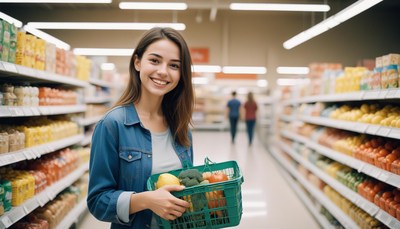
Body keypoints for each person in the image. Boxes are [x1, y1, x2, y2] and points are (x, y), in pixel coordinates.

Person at [87, 27, 195, 229]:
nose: (163, 71)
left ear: (181, 74)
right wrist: (147, 200)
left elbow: (186, 188)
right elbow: (98, 202)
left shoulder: (181, 128)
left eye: (174, 65)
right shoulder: (112, 125)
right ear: (137, 62)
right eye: (154, 61)